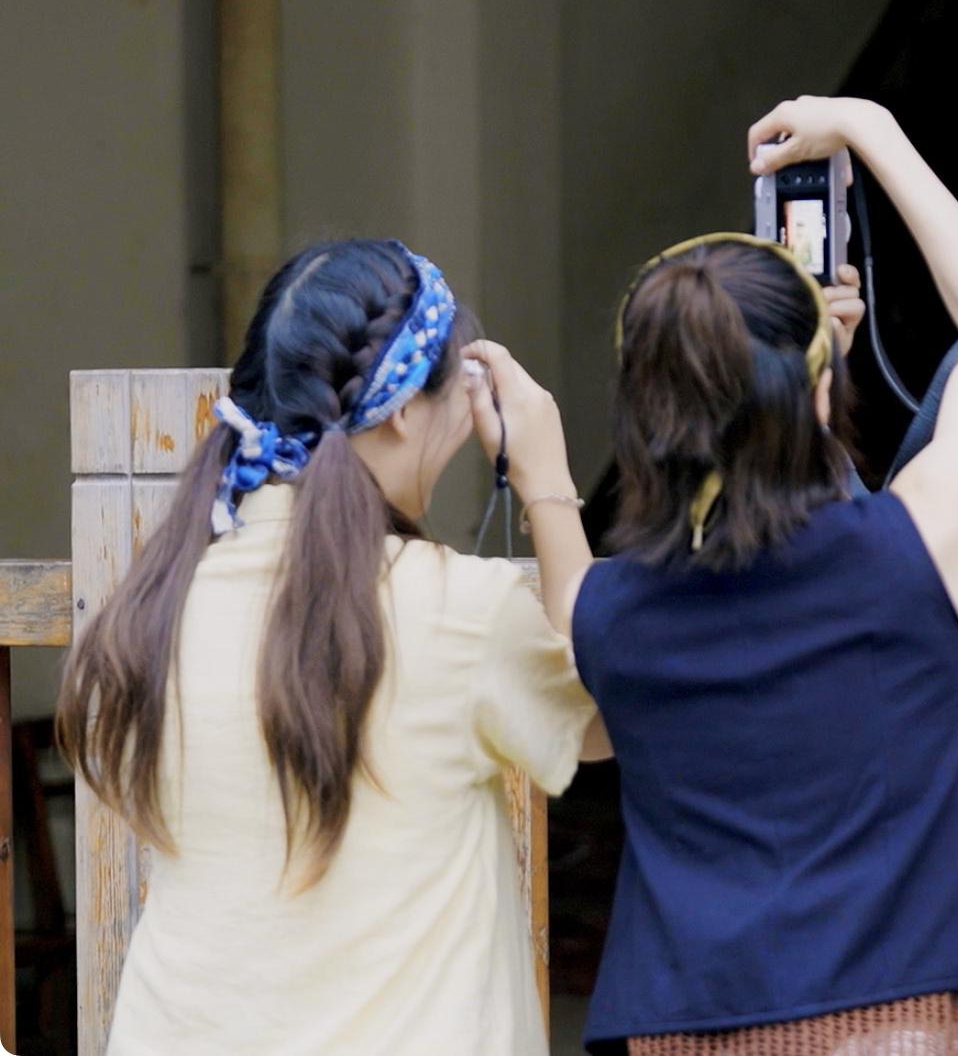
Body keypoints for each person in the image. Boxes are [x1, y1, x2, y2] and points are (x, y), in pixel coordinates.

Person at [568, 96, 958, 1055]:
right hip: (903, 1022)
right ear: (815, 388)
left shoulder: (609, 613)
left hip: (689, 1027)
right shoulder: (906, 550)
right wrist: (871, 127)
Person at [58, 239, 610, 1056]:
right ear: (401, 411)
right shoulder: (458, 611)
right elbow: (603, 716)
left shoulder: (154, 606)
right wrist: (547, 483)